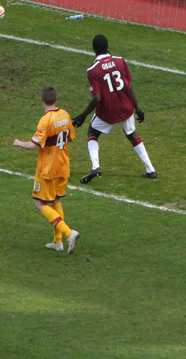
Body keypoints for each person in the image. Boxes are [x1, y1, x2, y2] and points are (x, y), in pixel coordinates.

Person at [72, 34, 157, 183]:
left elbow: (97, 98)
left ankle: (95, 166)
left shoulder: (93, 70)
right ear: (107, 47)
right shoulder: (120, 61)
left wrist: (83, 115)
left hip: (108, 111)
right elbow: (130, 87)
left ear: (94, 50)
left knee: (92, 132)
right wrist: (138, 109)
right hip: (126, 107)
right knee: (131, 134)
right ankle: (150, 170)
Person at [12, 85, 80, 254]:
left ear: (41, 99)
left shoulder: (46, 120)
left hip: (48, 169)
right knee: (55, 201)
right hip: (63, 165)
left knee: (40, 203)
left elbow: (32, 145)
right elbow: (71, 136)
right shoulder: (65, 114)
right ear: (56, 99)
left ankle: (68, 233)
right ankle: (58, 243)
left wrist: (19, 143)